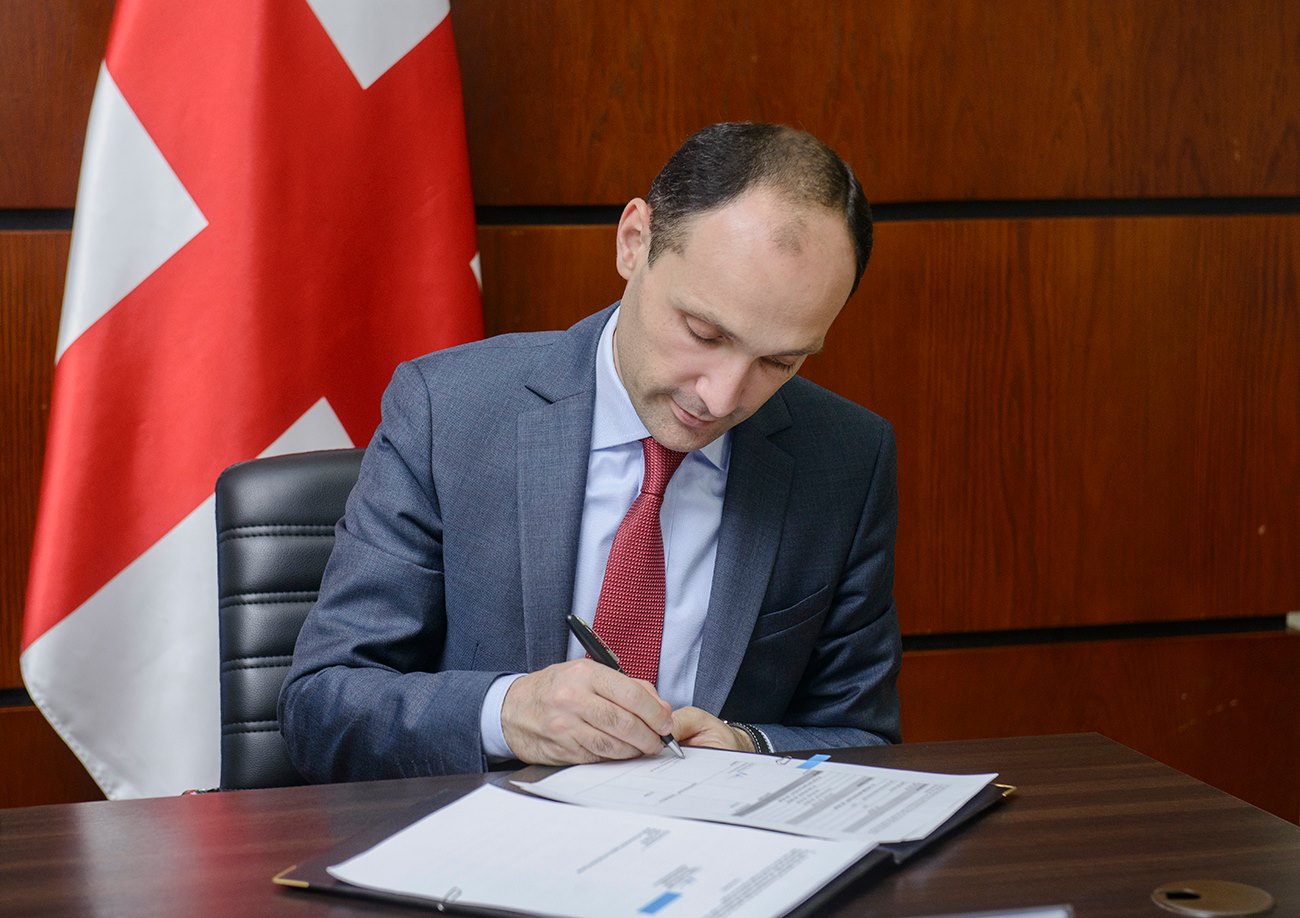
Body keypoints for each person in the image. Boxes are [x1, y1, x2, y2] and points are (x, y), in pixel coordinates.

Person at [279, 122, 901, 782]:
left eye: (779, 362)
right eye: (703, 332)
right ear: (634, 242)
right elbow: (322, 706)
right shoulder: (448, 412)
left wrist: (749, 748)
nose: (720, 398)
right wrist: (507, 713)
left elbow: (862, 735)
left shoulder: (847, 458)